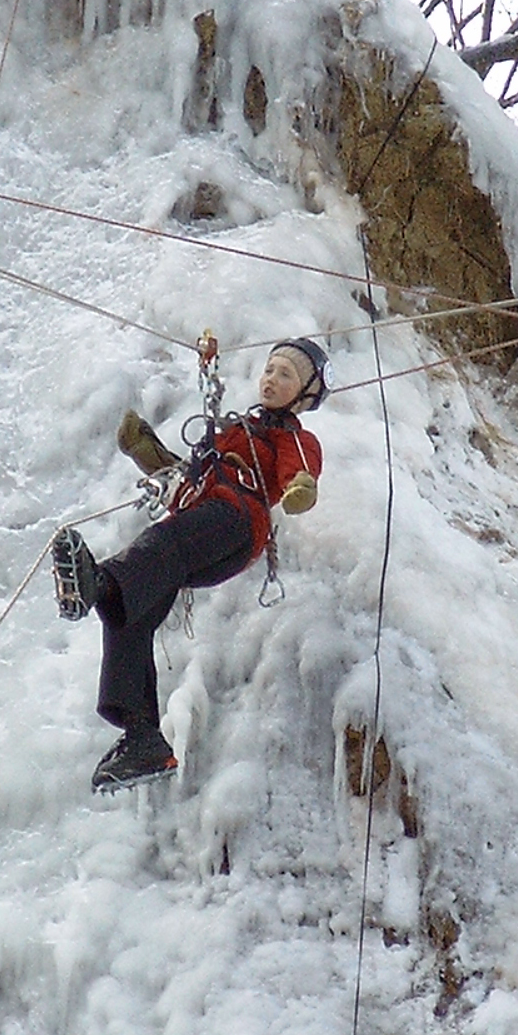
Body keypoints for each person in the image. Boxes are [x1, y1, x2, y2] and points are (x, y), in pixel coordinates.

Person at [52, 339, 329, 792]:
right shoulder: (233, 429)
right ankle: (142, 738)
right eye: (270, 370)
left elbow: (299, 469)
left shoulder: (290, 436)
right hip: (204, 517)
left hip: (237, 518)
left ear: (303, 395)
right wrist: (144, 449)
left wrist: (301, 487)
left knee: (158, 546)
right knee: (130, 613)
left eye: (286, 376)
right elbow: (185, 471)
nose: (271, 380)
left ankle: (97, 581)